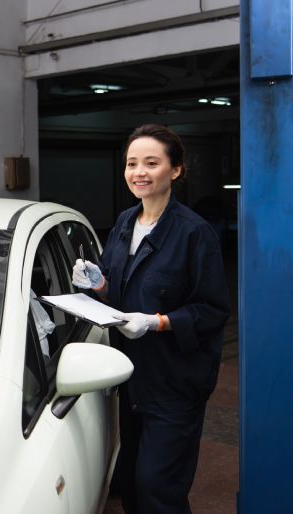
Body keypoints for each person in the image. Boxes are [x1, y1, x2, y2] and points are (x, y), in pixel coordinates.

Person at [72, 124, 230, 514]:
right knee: (134, 489)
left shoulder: (195, 234)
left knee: (159, 488)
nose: (139, 172)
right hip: (132, 376)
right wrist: (100, 285)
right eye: (131, 163)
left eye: (151, 163)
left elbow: (211, 310)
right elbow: (122, 294)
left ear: (175, 170)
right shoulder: (125, 222)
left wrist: (156, 321)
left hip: (176, 382)